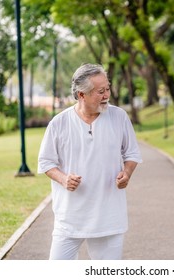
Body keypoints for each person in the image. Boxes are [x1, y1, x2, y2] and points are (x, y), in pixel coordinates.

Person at [38, 63, 142, 260]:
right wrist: (63, 178)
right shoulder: (59, 123)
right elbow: (46, 162)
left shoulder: (119, 117)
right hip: (69, 217)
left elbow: (132, 154)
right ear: (81, 95)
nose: (106, 96)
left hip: (109, 218)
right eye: (100, 91)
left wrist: (127, 173)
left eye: (107, 89)